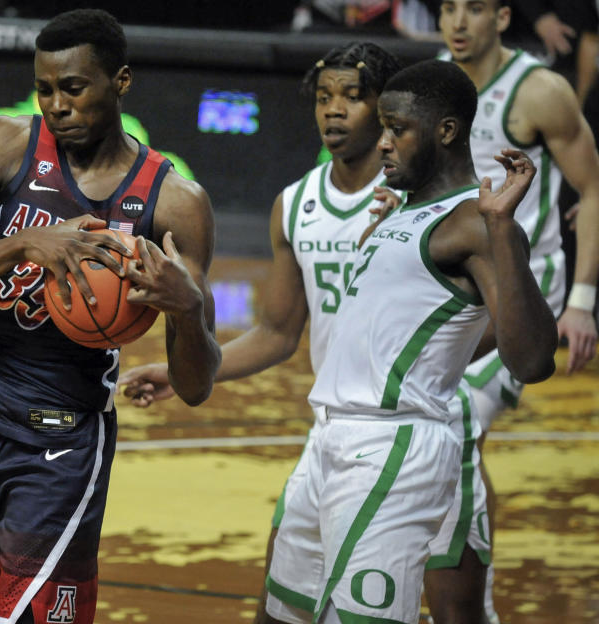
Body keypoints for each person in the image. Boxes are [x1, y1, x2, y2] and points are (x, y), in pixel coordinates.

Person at [120, 42, 496, 624]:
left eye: (352, 96)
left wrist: (428, 358)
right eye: (324, 97)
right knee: (282, 607)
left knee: (456, 611)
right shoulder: (295, 205)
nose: (334, 111)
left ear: (391, 110)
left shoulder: (429, 206)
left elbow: (499, 319)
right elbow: (276, 332)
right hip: (334, 428)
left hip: (420, 424)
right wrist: (184, 372)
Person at [0, 9, 220, 624]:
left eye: (73, 87)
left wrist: (187, 307)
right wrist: (22, 245)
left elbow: (197, 385)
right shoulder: (3, 144)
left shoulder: (174, 201)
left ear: (120, 82)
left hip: (62, 437)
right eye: (45, 89)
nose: (56, 105)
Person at [266, 59, 557, 624]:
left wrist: (501, 230)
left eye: (396, 128)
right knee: (282, 614)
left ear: (445, 131)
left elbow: (533, 358)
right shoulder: (404, 210)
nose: (382, 144)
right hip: (328, 436)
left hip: (391, 448)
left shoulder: (476, 221)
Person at [439, 1, 599, 618]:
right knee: (421, 417)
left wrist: (581, 304)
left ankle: (471, 603)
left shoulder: (540, 91)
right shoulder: (432, 81)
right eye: (448, 7)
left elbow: (593, 188)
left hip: (526, 291)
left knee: (457, 420)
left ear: (503, 17)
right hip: (455, 287)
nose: (458, 21)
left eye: (473, 8)